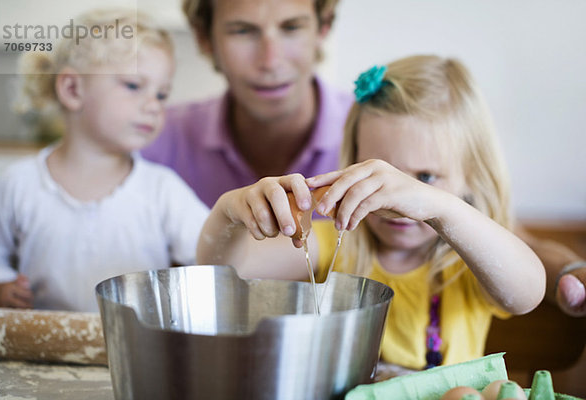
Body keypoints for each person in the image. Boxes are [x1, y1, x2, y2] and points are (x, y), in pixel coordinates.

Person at [196, 55, 546, 370]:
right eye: (380, 174)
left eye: (425, 177)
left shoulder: (467, 259)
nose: (399, 200)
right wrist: (229, 213)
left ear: (472, 178)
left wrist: (438, 207)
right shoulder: (336, 243)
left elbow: (526, 293)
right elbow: (226, 272)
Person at [0, 9, 209, 312]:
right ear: (72, 89)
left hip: (134, 352)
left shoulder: (162, 189)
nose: (153, 106)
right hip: (41, 350)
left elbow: (211, 253)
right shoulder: (19, 183)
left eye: (161, 94)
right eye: (133, 85)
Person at [141, 0, 353, 208]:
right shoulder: (149, 141)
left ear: (323, 27)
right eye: (242, 31)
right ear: (204, 37)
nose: (271, 62)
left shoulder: (378, 137)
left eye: (292, 27)